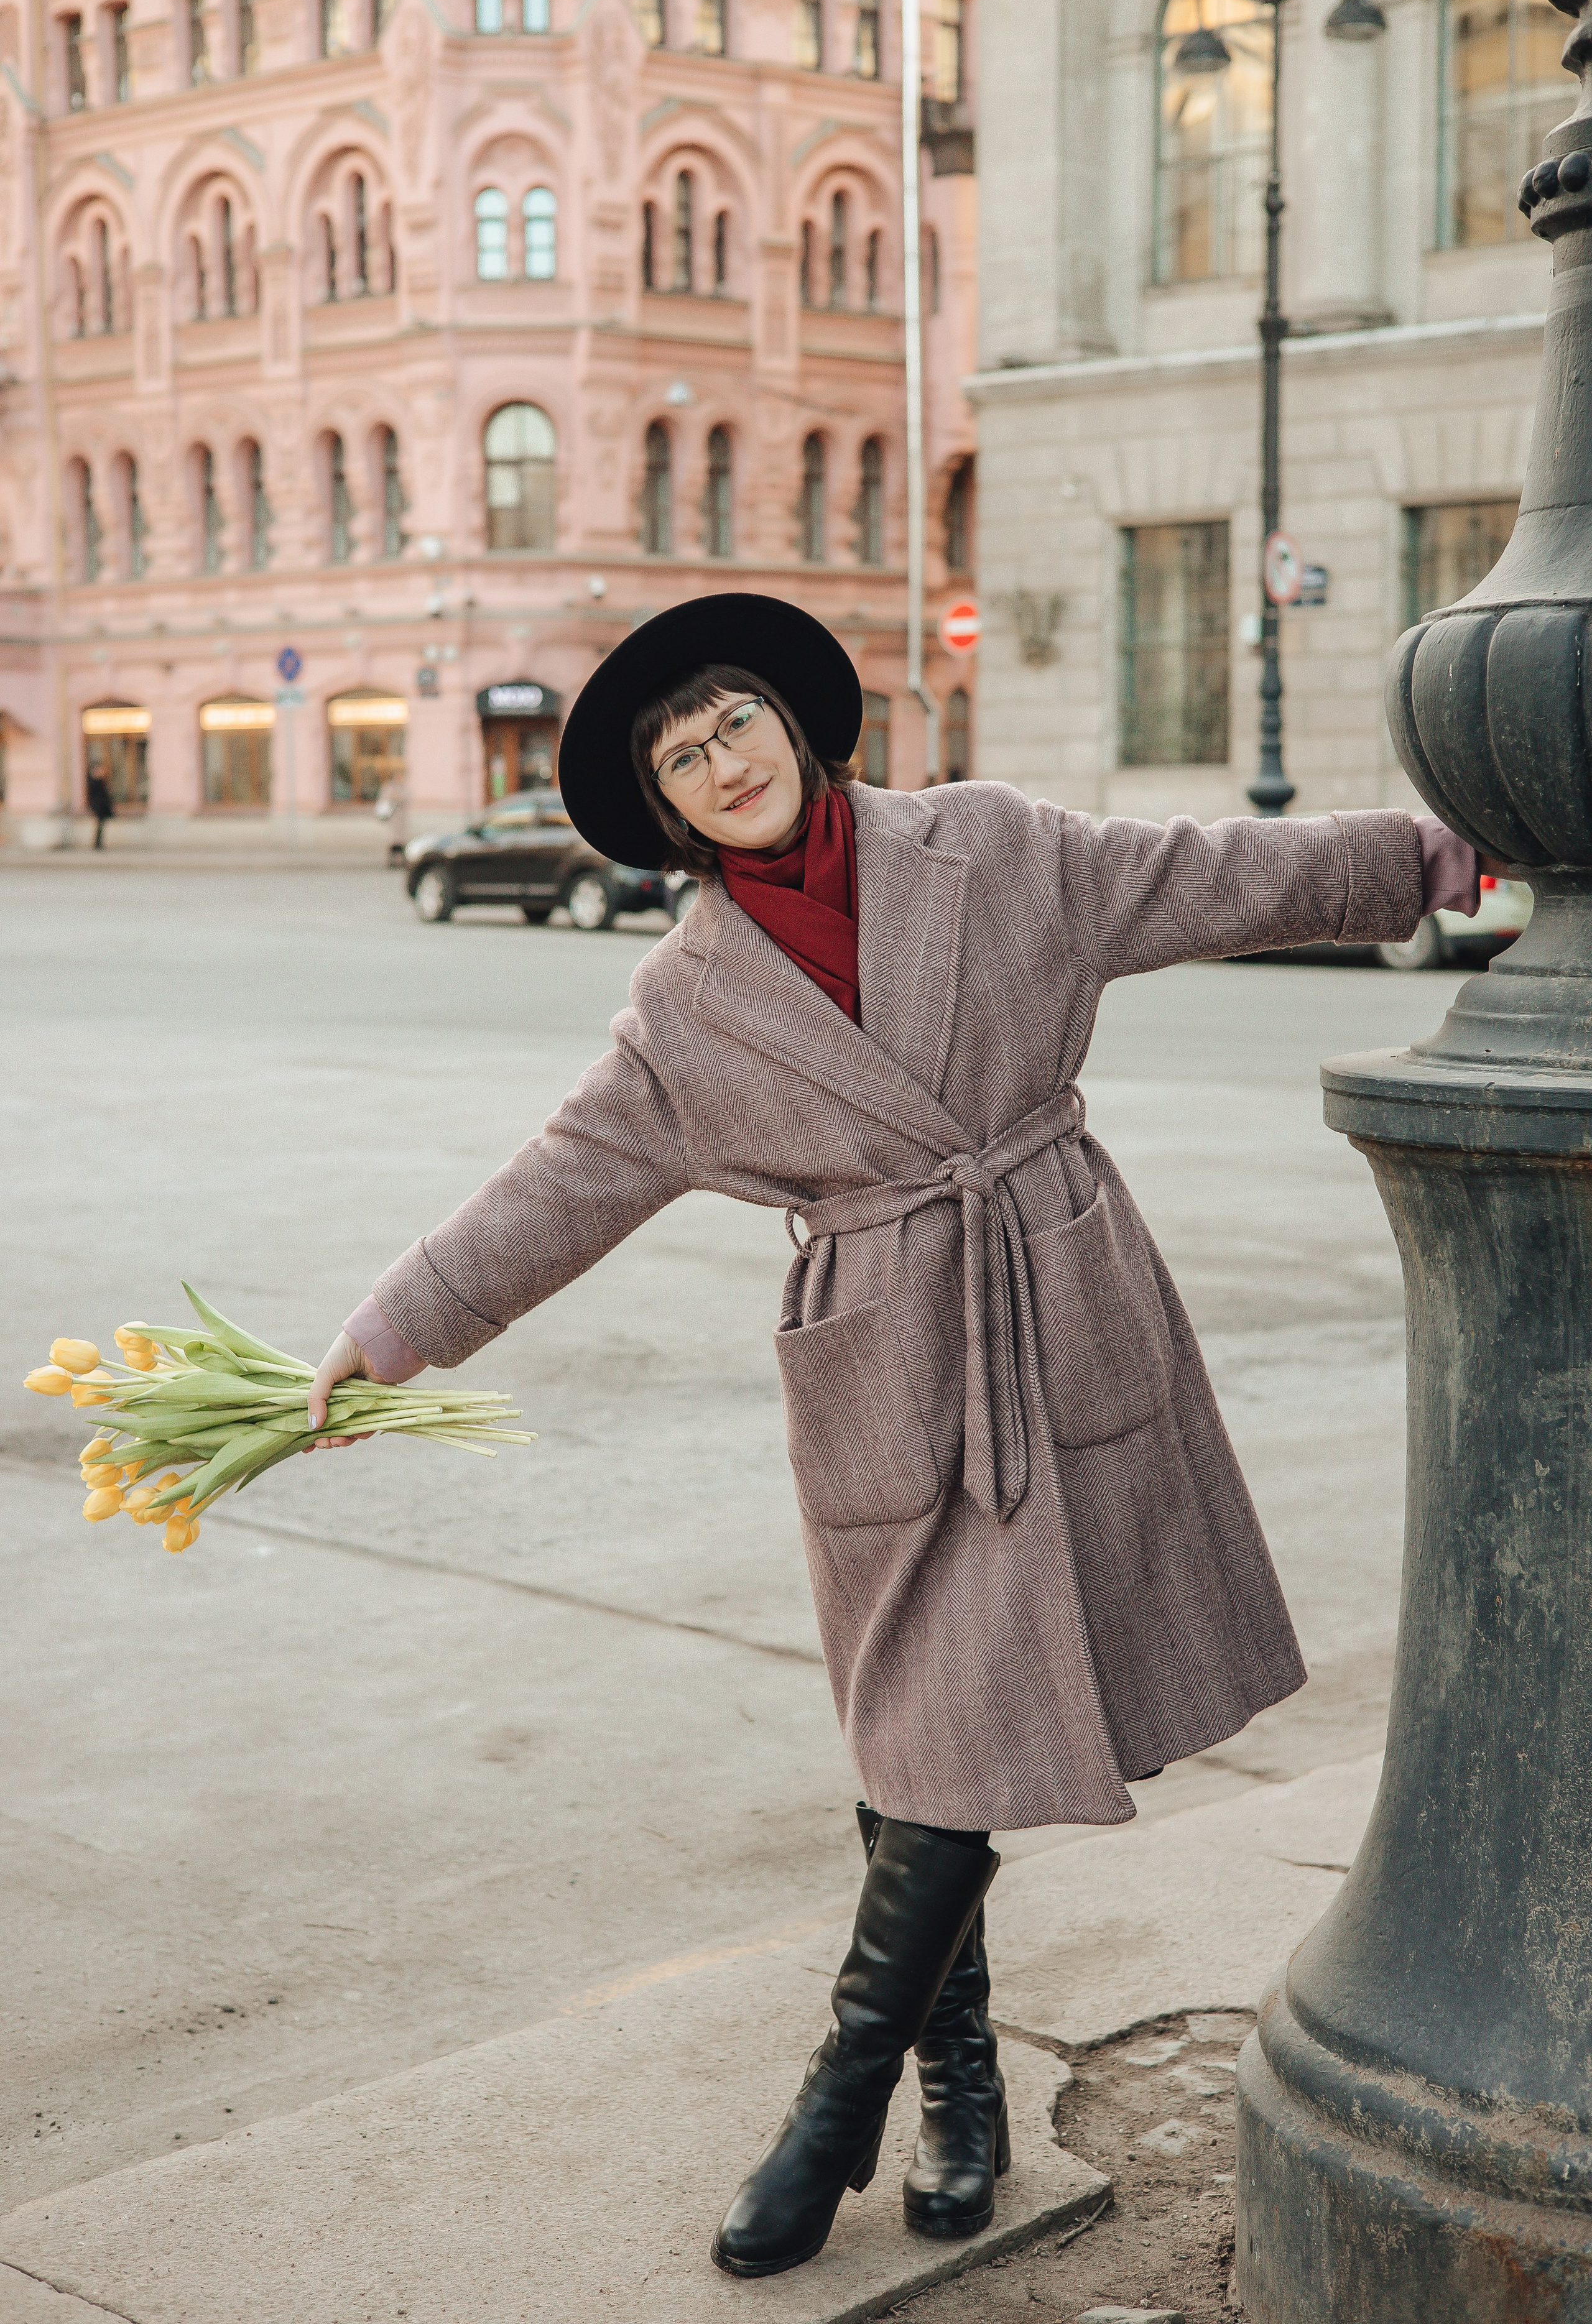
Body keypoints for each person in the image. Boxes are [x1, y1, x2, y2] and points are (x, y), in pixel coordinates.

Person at [304, 593, 1483, 2279]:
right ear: (662, 809)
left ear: (792, 723)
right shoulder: (686, 1006)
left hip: (1054, 1306)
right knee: (921, 1742)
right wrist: (391, 1332)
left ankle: (842, 2108)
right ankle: (962, 2096)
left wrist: (1433, 856)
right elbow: (556, 1189)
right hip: (881, 1361)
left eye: (732, 725)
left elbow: (1215, 878)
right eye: (679, 758)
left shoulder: (991, 850)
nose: (719, 762)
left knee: (944, 1748)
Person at [86, 765, 114, 851]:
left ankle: (98, 843)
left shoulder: (100, 781)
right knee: (99, 825)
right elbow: (97, 796)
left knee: (100, 825)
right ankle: (97, 843)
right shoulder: (95, 782)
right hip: (99, 807)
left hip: (102, 807)